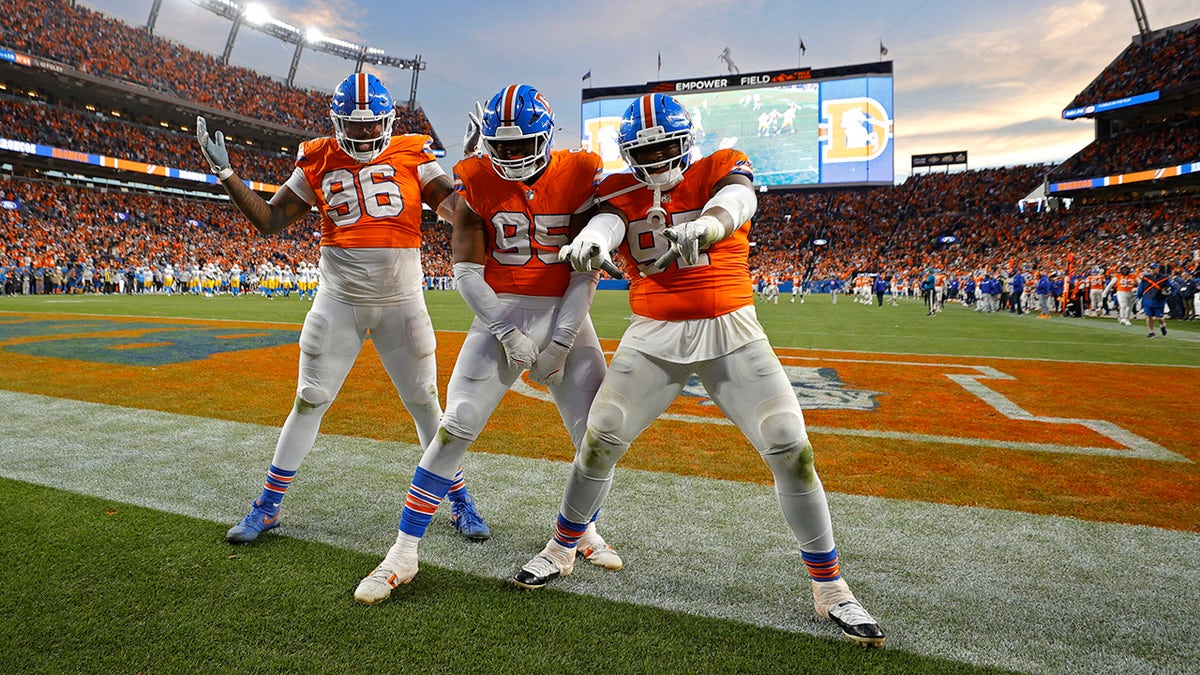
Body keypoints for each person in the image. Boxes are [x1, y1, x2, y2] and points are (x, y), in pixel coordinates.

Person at [513, 93, 884, 647]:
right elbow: (612, 222)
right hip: (654, 332)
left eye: (666, 145)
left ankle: (830, 587)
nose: (659, 158)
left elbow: (739, 200)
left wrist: (711, 225)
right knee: (602, 436)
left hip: (730, 328)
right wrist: (591, 239)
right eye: (647, 150)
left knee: (788, 442)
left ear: (686, 139)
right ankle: (562, 548)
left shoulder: (719, 165)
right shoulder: (617, 189)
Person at [353, 84, 621, 605]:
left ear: (546, 138)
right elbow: (468, 273)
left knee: (598, 437)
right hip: (500, 310)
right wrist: (505, 331)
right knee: (453, 429)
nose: (512, 158)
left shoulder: (583, 170)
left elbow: (584, 272)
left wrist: (562, 341)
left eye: (523, 147)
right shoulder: (475, 176)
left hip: (566, 309)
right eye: (501, 148)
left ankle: (582, 532)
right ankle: (403, 552)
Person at [196, 72, 488, 544]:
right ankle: (267, 507)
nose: (367, 133)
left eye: (374, 125)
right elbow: (270, 221)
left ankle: (458, 500)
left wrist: (475, 169)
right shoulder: (316, 159)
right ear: (337, 123)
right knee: (309, 399)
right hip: (339, 302)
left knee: (426, 405)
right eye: (356, 125)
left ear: (388, 122)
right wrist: (228, 176)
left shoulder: (414, 152)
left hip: (401, 302)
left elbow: (458, 213)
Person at [1137, 262, 1170, 338]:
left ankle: (1162, 325)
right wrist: (1138, 296)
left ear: (1158, 269)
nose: (1152, 270)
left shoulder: (1164, 278)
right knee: (1148, 316)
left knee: (1159, 317)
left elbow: (1170, 288)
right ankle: (1151, 332)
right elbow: (1141, 287)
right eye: (1151, 268)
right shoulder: (1145, 278)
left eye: (1153, 268)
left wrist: (1169, 293)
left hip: (1159, 300)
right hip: (1147, 299)